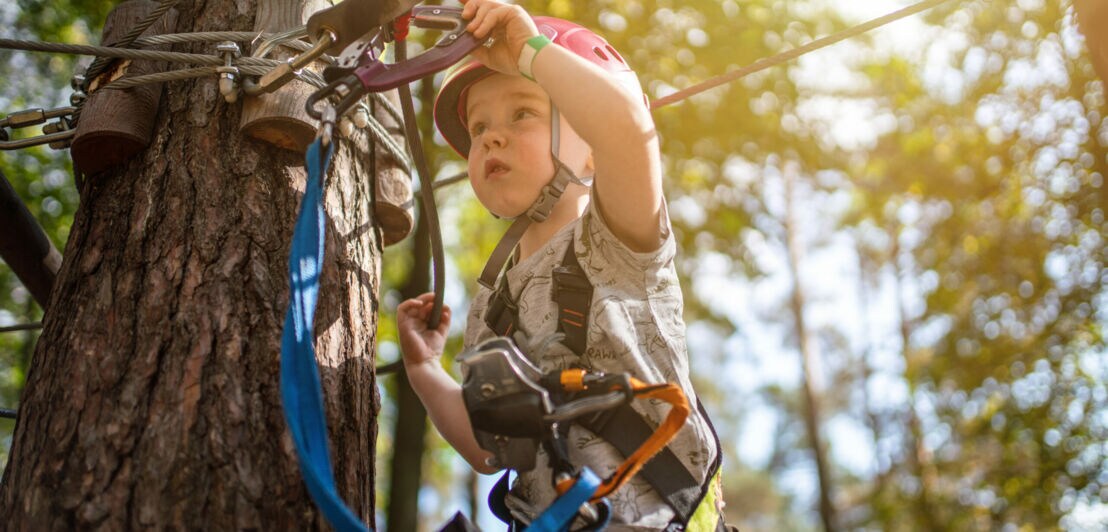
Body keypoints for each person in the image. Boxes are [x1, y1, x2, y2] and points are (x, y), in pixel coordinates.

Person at [396, 0, 724, 528]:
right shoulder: (492, 307)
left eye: (522, 113)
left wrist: (529, 52)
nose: (491, 137)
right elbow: (490, 448)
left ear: (591, 151)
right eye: (478, 128)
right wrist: (423, 371)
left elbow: (626, 131)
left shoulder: (616, 236)